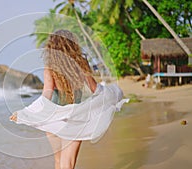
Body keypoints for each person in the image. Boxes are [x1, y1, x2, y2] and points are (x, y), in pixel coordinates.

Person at [10, 30, 128, 169]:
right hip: (75, 118)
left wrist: (25, 112)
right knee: (69, 163)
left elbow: (45, 97)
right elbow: (94, 89)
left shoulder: (50, 68)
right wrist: (112, 93)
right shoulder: (81, 63)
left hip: (53, 120)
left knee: (59, 161)